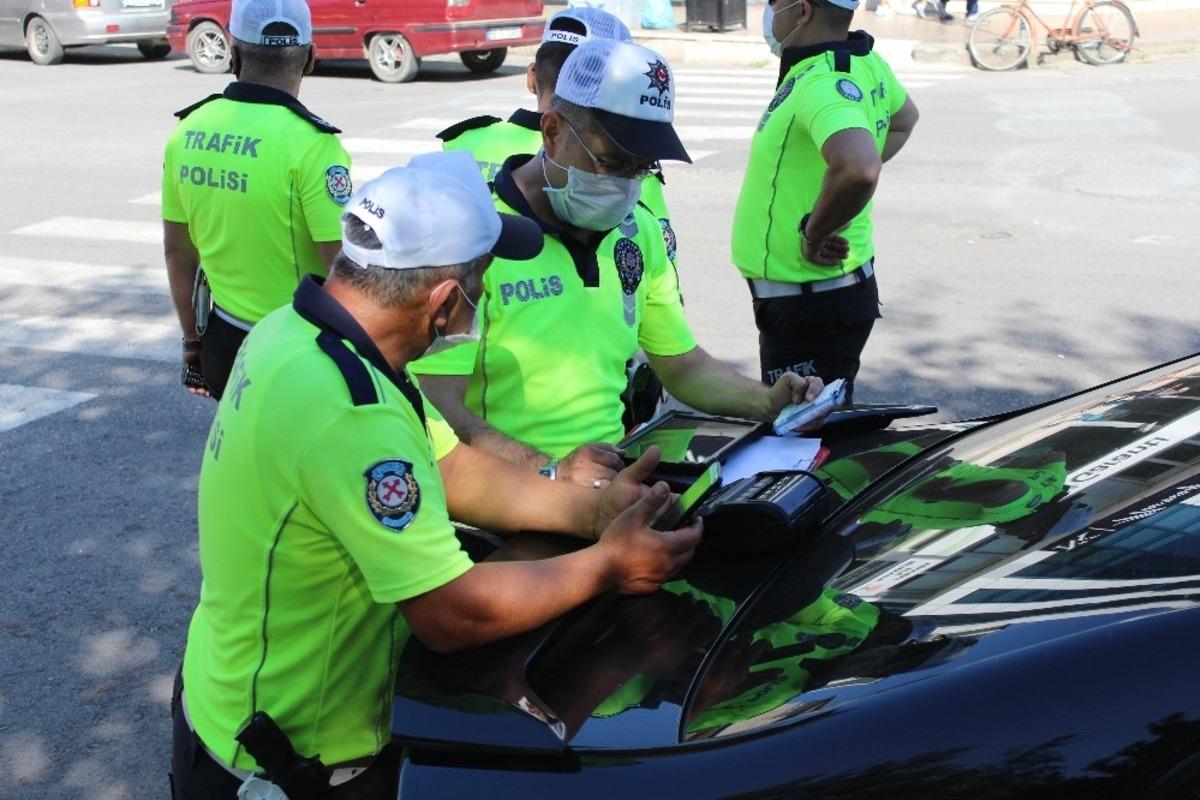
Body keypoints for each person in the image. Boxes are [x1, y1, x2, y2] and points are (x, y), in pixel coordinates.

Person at [169, 151, 702, 800]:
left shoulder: (301, 332)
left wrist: (589, 513)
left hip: (229, 696)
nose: (482, 299)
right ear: (446, 301)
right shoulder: (349, 410)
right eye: (481, 282)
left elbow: (450, 467)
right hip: (289, 760)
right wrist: (609, 565)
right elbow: (452, 614)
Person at [413, 39, 824, 488]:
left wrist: (768, 401)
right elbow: (439, 407)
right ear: (552, 131)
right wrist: (550, 471)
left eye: (641, 168)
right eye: (611, 163)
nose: (626, 185)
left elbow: (681, 364)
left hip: (608, 484)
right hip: (503, 494)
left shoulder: (638, 231)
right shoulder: (474, 236)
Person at [162, 0, 351, 400]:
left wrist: (193, 343)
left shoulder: (187, 132)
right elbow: (339, 264)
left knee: (239, 457)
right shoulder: (315, 146)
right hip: (296, 350)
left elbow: (178, 253)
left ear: (233, 56)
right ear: (311, 58)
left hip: (225, 342)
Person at [737, 0, 919, 402]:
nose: (768, 12)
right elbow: (904, 120)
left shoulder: (823, 81)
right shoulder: (863, 62)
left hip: (810, 304)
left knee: (801, 432)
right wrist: (832, 186)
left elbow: (859, 167)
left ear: (802, 11)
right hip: (823, 299)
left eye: (773, 3)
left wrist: (814, 232)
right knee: (817, 422)